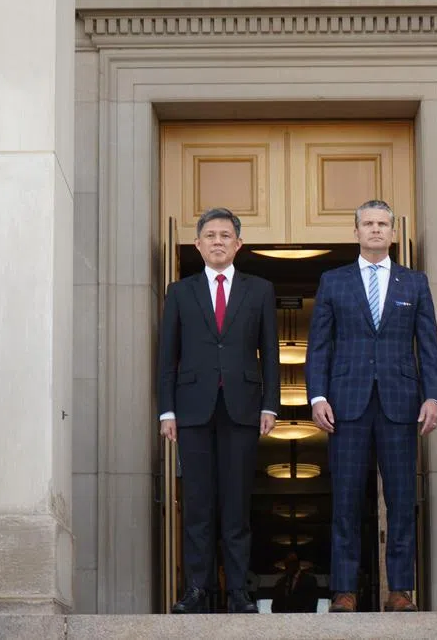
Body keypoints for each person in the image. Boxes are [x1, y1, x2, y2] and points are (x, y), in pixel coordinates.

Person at [305, 199, 437, 613]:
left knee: (401, 499)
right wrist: (317, 395)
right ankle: (344, 590)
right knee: (346, 500)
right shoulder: (333, 281)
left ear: (394, 233)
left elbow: (429, 346)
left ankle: (400, 589)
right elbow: (319, 345)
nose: (376, 229)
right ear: (356, 231)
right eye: (368, 223)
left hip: (400, 404)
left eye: (383, 224)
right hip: (346, 404)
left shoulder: (414, 283)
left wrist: (433, 396)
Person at [157, 207, 280, 614]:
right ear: (197, 244)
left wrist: (270, 404)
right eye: (210, 235)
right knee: (197, 504)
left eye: (225, 235)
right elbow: (167, 355)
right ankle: (197, 589)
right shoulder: (180, 292)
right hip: (192, 410)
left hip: (242, 409)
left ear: (238, 244)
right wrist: (166, 411)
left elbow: (270, 353)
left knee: (236, 505)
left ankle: (238, 592)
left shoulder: (259, 290)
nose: (218, 242)